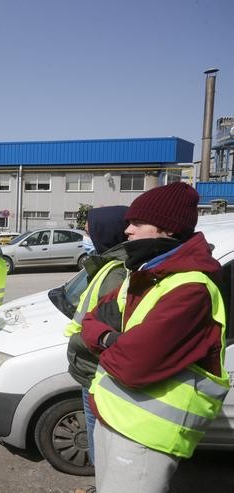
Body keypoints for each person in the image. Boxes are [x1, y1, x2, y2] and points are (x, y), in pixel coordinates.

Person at [81, 182, 229, 493]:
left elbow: (134, 364)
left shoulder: (191, 288)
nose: (128, 232)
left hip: (146, 434)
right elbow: (90, 321)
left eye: (137, 223)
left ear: (166, 228)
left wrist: (106, 341)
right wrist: (115, 339)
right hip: (114, 416)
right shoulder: (147, 273)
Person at [64, 206, 128, 467]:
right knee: (98, 441)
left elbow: (102, 329)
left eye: (90, 232)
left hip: (94, 370)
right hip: (90, 368)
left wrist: (77, 346)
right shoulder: (108, 265)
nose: (87, 237)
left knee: (98, 444)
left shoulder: (116, 273)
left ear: (106, 232)